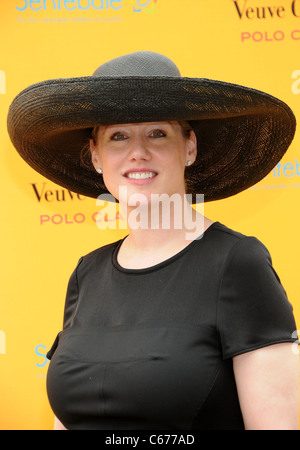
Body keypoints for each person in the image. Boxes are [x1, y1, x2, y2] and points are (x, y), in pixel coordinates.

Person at [7, 51, 299, 430]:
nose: (138, 152)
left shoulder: (237, 263)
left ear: (189, 147)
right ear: (96, 156)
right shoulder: (87, 273)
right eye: (118, 136)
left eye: (157, 133)